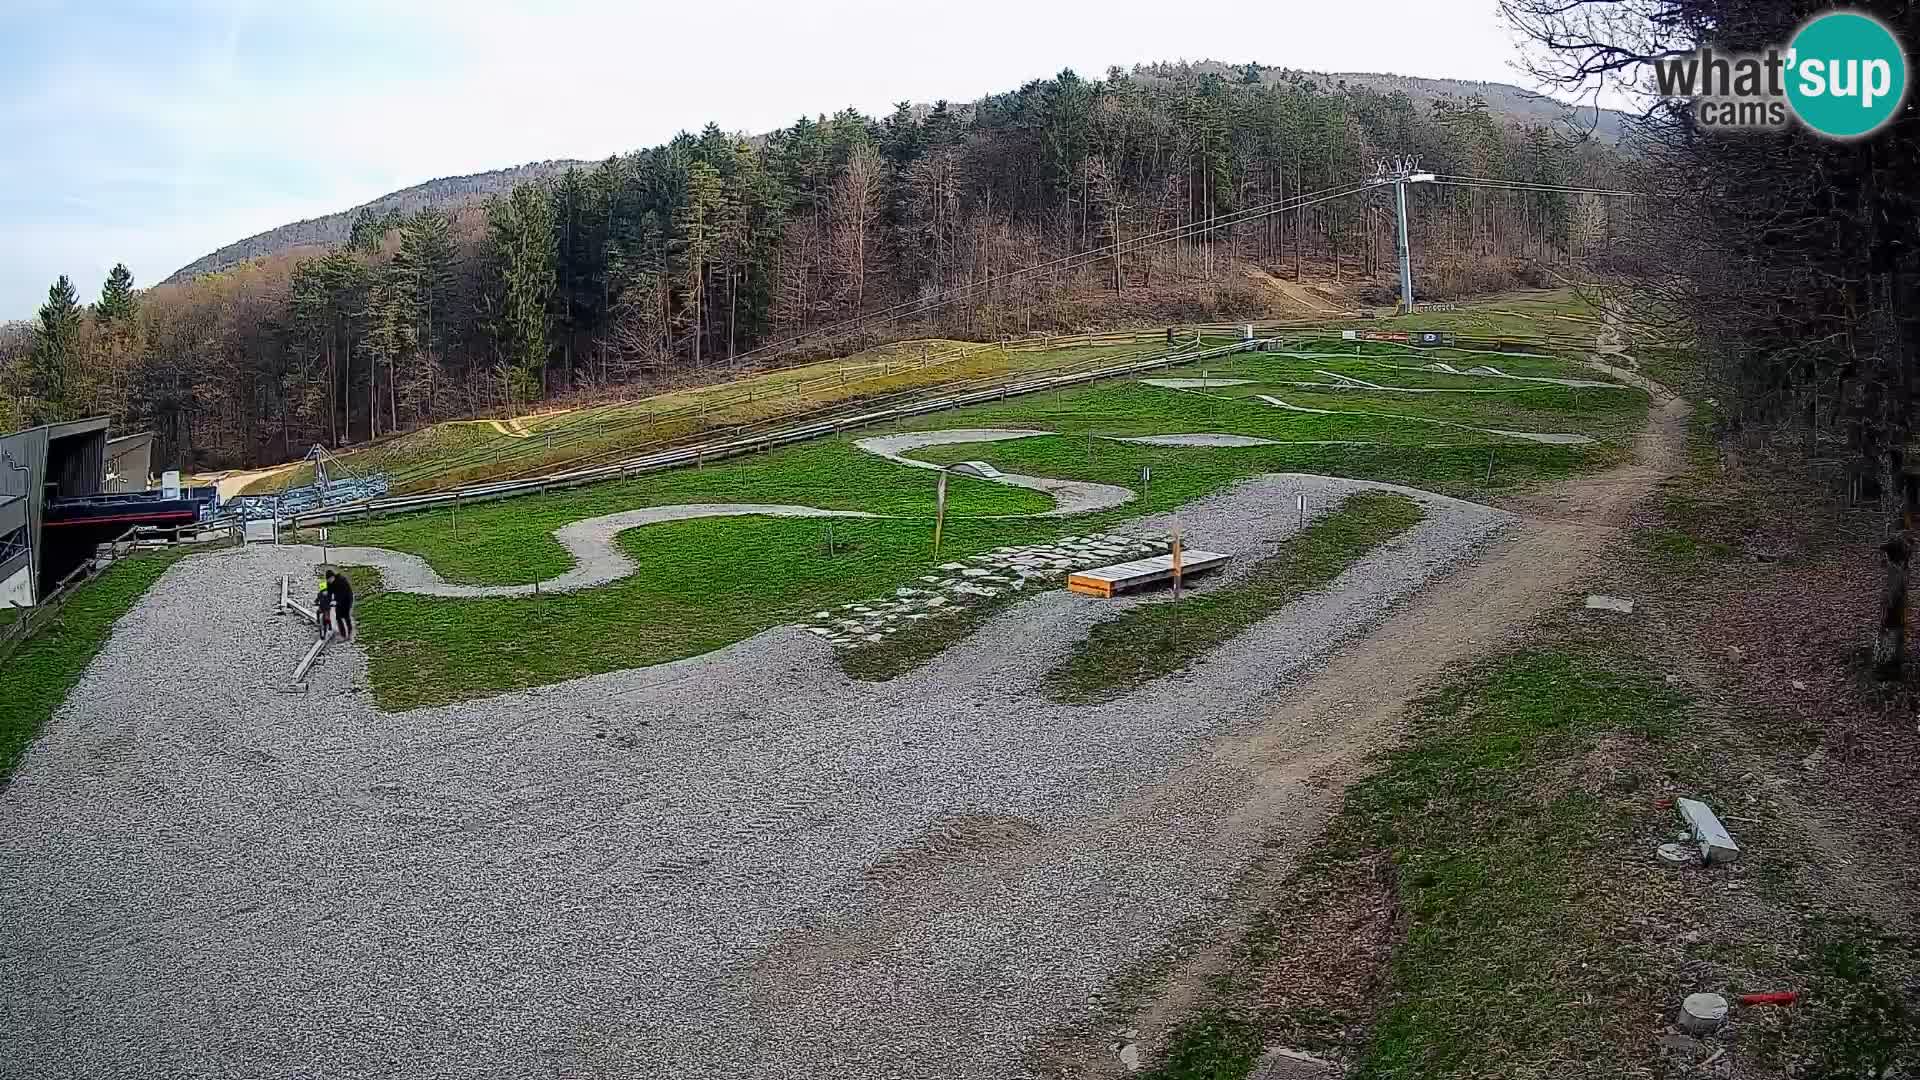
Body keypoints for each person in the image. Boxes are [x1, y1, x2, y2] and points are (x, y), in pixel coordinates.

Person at [325, 569, 355, 642]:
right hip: (339, 599)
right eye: (328, 580)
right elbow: (329, 593)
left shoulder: (341, 581)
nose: (329, 581)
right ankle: (343, 635)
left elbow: (344, 594)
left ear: (333, 577)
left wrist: (336, 602)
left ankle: (350, 633)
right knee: (338, 617)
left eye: (329, 579)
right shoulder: (329, 583)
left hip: (347, 599)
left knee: (346, 616)